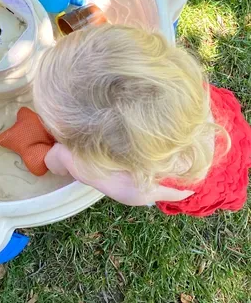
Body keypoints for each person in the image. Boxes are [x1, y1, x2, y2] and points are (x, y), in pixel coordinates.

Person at [33, 25, 251, 216]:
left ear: (99, 155)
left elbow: (57, 162)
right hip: (223, 130)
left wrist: (58, 154)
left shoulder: (131, 188)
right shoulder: (175, 91)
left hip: (204, 182)